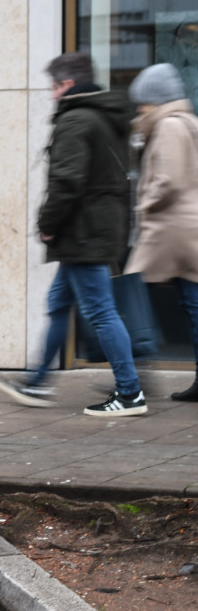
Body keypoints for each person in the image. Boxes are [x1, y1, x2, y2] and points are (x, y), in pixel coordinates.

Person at [0, 52, 147, 416]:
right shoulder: (105, 117)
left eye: (53, 87)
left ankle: (129, 393)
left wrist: (48, 225)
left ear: (66, 84)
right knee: (59, 304)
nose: (51, 95)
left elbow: (67, 182)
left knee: (101, 312)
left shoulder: (76, 120)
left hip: (83, 234)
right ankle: (37, 383)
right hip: (93, 230)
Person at [125, 63, 198, 401]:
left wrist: (144, 206)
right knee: (191, 302)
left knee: (133, 293)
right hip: (185, 230)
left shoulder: (169, 126)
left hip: (169, 229)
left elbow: (167, 180)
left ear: (155, 100)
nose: (140, 109)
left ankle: (135, 376)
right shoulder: (187, 122)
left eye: (143, 103)